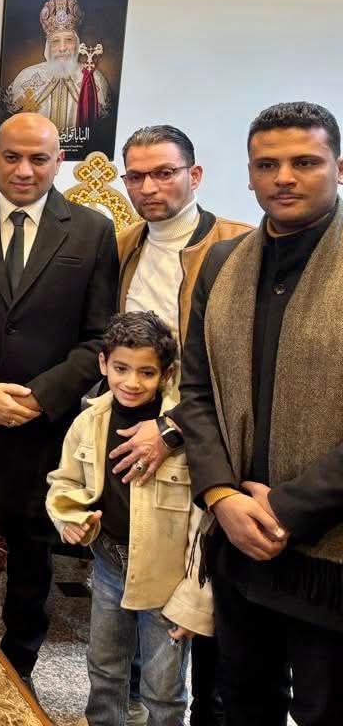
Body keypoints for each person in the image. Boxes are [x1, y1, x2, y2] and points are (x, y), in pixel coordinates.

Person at [0, 112, 118, 683]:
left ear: (59, 161)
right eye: (12, 157)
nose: (24, 170)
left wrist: (39, 398)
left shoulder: (91, 231)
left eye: (39, 158)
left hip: (43, 433)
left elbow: (99, 336)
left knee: (34, 556)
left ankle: (20, 667)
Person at [171, 101, 343, 726]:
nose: (284, 178)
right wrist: (221, 496)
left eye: (305, 162)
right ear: (249, 175)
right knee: (240, 704)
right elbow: (196, 391)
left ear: (339, 167)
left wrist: (284, 509)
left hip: (328, 554)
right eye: (267, 164)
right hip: (237, 539)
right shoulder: (222, 263)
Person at [108, 123, 250, 726]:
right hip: (134, 432)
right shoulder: (123, 245)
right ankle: (133, 701)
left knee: (205, 594)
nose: (149, 187)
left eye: (164, 173)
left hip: (207, 440)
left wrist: (170, 430)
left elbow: (234, 368)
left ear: (194, 175)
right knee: (136, 576)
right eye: (136, 176)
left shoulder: (237, 245)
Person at [47, 311, 212, 726]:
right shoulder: (88, 421)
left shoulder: (186, 434)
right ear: (104, 363)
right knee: (104, 669)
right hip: (108, 567)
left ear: (167, 374)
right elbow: (64, 481)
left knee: (164, 689)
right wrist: (70, 518)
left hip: (167, 580)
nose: (132, 382)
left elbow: (204, 525)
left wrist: (194, 601)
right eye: (121, 369)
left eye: (146, 372)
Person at [4, 0, 110, 137]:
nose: (62, 48)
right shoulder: (26, 77)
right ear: (47, 46)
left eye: (69, 40)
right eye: (55, 41)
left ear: (78, 44)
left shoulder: (94, 79)